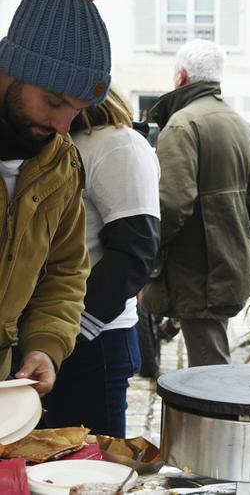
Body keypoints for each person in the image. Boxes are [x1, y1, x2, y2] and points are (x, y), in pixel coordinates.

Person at [0, 0, 111, 395]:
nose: (64, 126)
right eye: (54, 102)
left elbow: (65, 272)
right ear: (10, 71)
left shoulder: (62, 166)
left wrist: (46, 346)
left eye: (78, 110)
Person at [39, 87, 161, 437]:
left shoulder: (117, 143)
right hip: (54, 333)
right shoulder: (61, 142)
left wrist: (66, 333)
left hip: (95, 339)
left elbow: (134, 254)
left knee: (92, 469)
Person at [140, 39, 250, 367]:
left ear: (181, 76)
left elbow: (170, 206)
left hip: (199, 277)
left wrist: (144, 252)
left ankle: (220, 422)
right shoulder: (239, 123)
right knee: (211, 365)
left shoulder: (182, 125)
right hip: (226, 269)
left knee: (210, 378)